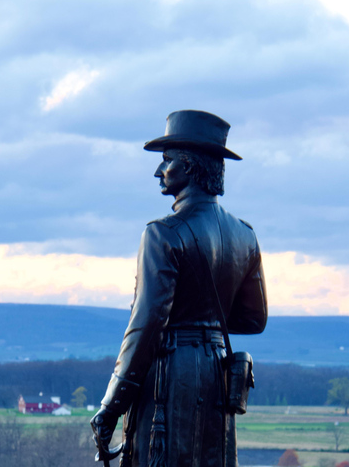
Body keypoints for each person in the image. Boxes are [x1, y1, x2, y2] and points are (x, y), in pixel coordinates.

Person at [91, 110, 268, 467]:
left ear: (188, 167)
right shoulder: (244, 235)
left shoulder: (162, 234)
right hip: (215, 373)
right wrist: (203, 320)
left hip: (171, 377)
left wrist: (110, 406)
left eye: (166, 161)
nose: (159, 171)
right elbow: (252, 319)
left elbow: (146, 326)